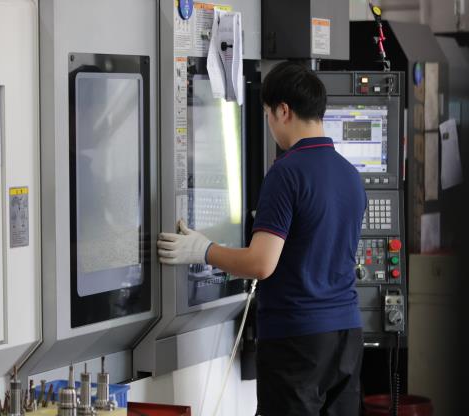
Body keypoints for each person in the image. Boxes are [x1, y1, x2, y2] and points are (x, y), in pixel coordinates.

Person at [157, 61, 367, 416]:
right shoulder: (349, 175)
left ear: (283, 111)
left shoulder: (286, 173)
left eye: (268, 114)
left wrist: (204, 250)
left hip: (297, 340)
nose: (269, 125)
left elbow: (260, 263)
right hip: (347, 335)